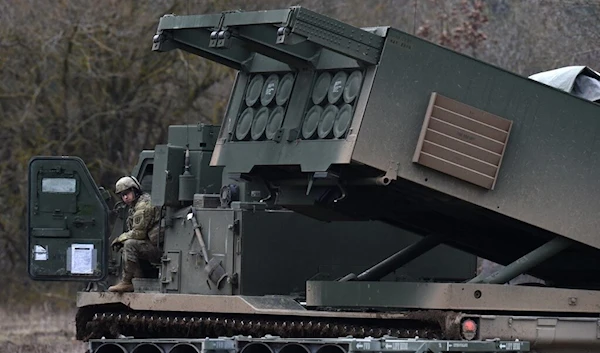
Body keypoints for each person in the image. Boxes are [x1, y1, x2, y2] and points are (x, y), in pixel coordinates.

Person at [108, 176, 162, 293]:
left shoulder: (144, 206)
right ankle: (137, 280)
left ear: (135, 191)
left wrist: (120, 238)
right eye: (122, 195)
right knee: (126, 246)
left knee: (129, 245)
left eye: (127, 193)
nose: (125, 197)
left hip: (160, 249)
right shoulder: (134, 207)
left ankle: (127, 282)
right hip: (152, 245)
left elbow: (139, 233)